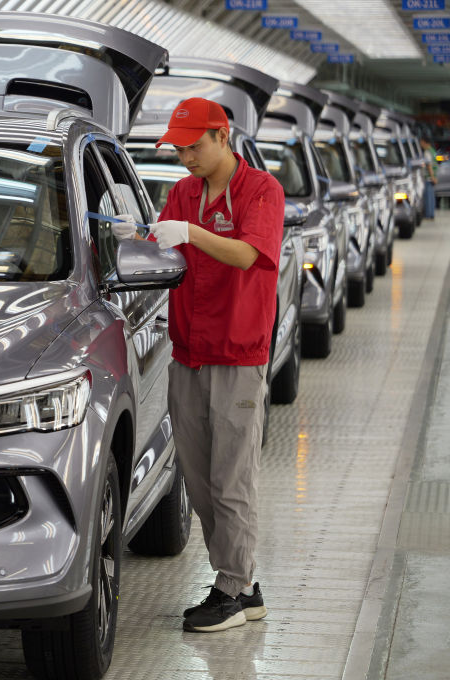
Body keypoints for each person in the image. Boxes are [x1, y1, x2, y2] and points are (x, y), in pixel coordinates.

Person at [115, 97, 284, 633]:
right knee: (198, 478)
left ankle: (232, 587)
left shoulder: (262, 190)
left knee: (231, 479)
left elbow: (248, 254)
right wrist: (136, 236)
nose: (185, 158)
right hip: (188, 354)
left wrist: (190, 233)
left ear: (221, 136)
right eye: (178, 149)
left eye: (193, 147)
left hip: (237, 356)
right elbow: (163, 254)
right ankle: (242, 585)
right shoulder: (182, 194)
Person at [421, 137, 437, 220]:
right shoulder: (433, 151)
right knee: (431, 196)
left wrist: (432, 176)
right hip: (433, 176)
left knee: (428, 197)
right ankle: (431, 213)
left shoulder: (427, 152)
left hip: (428, 177)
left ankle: (428, 214)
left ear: (425, 142)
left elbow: (429, 165)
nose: (421, 144)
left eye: (421, 142)